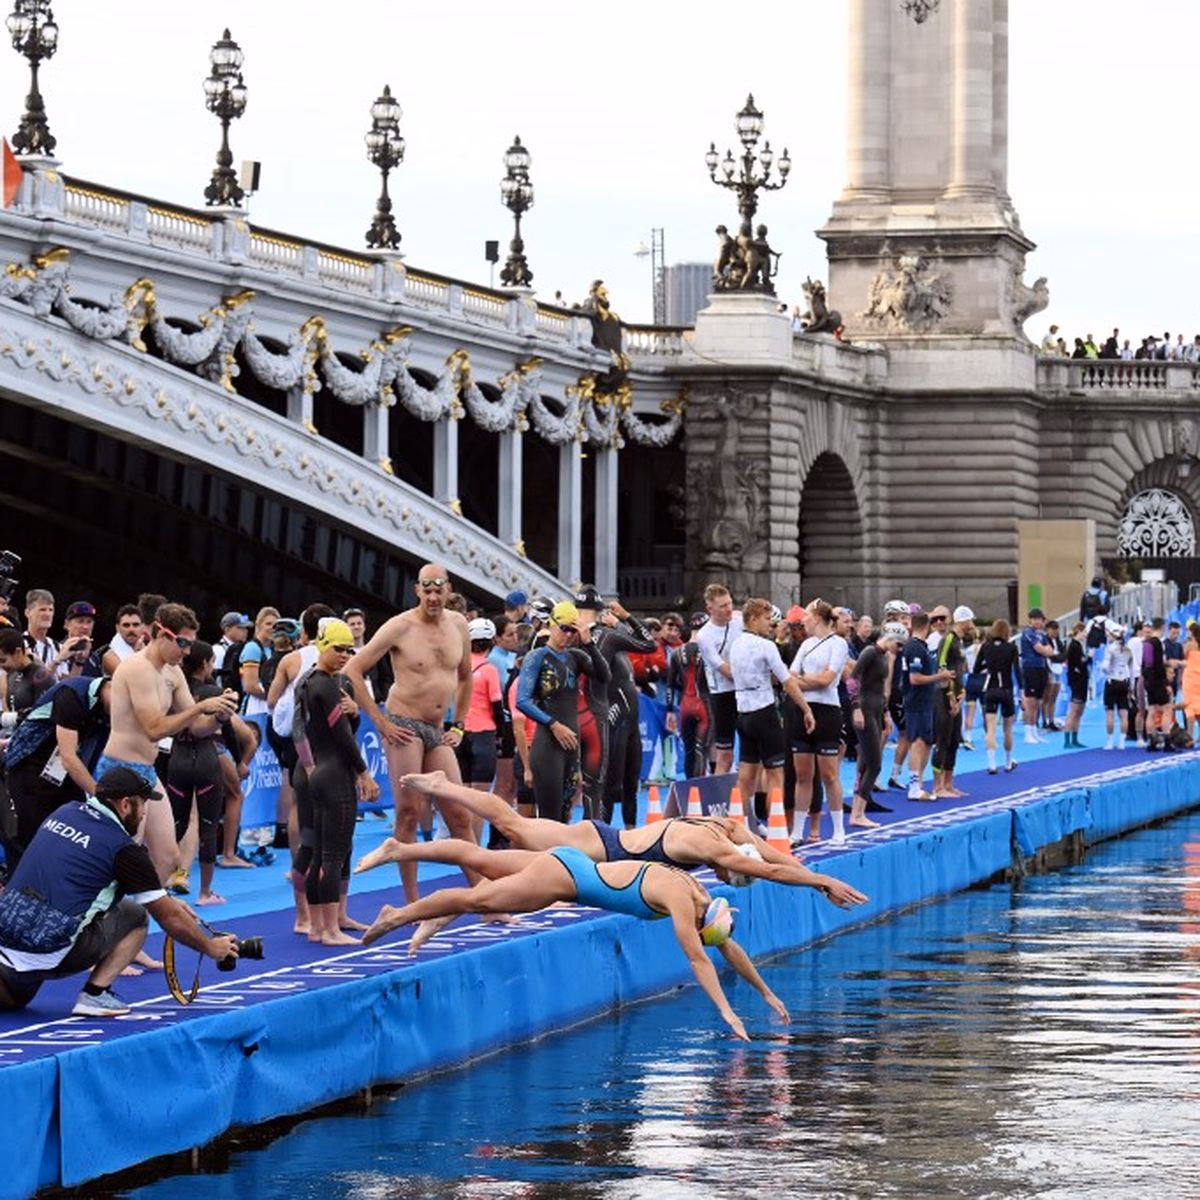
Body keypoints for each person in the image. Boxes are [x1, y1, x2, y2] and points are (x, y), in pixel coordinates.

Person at [357, 838, 789, 1041]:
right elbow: (698, 960)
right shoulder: (680, 901)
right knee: (478, 898)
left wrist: (766, 993)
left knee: (480, 859)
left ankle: (399, 850)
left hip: (572, 863)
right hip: (563, 881)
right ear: (703, 921)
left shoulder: (701, 894)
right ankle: (398, 916)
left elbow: (727, 948)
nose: (701, 935)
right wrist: (727, 1012)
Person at [0, 766, 239, 1016]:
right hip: (53, 949)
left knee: (17, 998)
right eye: (143, 804)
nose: (145, 812)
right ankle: (95, 995)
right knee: (136, 915)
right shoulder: (124, 849)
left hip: (6, 939)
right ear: (125, 804)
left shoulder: (64, 813)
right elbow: (169, 919)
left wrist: (164, 900)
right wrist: (211, 948)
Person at [342, 563, 482, 905]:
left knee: (460, 814)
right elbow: (352, 670)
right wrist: (381, 722)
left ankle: (485, 898)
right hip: (404, 726)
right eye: (427, 590)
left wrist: (459, 724)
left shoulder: (459, 625)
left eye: (439, 590)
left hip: (437, 730)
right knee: (408, 812)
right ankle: (412, 901)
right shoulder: (400, 626)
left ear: (449, 590)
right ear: (417, 590)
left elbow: (465, 676)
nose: (433, 597)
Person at [98, 603, 239, 884]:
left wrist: (219, 717)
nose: (187, 652)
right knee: (122, 859)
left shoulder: (172, 673)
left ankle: (140, 918)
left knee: (167, 858)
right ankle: (118, 921)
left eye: (191, 644)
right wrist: (201, 707)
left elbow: (197, 729)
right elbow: (153, 728)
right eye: (183, 643)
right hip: (120, 771)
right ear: (162, 635)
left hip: (147, 772)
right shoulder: (136, 669)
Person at [295, 618, 380, 945]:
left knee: (319, 854)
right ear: (322, 646)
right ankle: (331, 930)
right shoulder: (328, 685)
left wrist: (355, 714)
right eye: (338, 649)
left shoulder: (307, 682)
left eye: (349, 650)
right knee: (333, 855)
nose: (345, 655)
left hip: (317, 772)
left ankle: (318, 927)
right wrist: (364, 772)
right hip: (335, 775)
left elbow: (319, 732)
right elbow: (342, 737)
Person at [514, 601, 610, 822]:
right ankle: (544, 856)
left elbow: (605, 676)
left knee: (565, 814)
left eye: (573, 631)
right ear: (551, 624)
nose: (568, 635)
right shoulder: (537, 657)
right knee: (549, 816)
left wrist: (589, 642)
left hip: (571, 747)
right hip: (547, 745)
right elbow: (522, 700)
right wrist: (553, 725)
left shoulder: (575, 657)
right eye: (564, 628)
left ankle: (559, 856)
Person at [2, 675, 112, 861]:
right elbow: (68, 757)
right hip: (29, 764)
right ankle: (19, 885)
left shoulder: (106, 711)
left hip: (61, 773)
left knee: (77, 823)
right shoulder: (73, 693)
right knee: (30, 836)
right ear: (113, 686)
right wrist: (99, 794)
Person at [730, 598, 814, 830]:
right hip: (764, 713)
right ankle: (777, 829)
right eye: (767, 619)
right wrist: (806, 709)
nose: (771, 624)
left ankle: (742, 828)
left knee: (746, 776)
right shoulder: (766, 646)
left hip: (743, 712)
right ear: (753, 619)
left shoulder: (736, 644)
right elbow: (788, 682)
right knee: (776, 776)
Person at [790, 599, 853, 843]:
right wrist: (803, 680)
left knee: (829, 774)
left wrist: (800, 681)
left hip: (827, 711)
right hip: (803, 708)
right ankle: (797, 831)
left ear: (816, 617)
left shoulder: (838, 643)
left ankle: (838, 829)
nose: (802, 620)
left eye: (806, 615)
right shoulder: (806, 644)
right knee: (803, 774)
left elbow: (828, 678)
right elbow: (790, 675)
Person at [851, 621, 904, 815]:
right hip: (864, 708)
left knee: (867, 762)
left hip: (875, 708)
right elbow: (852, 679)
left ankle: (859, 811)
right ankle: (858, 813)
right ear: (890, 639)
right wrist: (856, 707)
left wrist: (886, 713)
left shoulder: (883, 656)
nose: (899, 649)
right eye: (898, 644)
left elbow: (881, 688)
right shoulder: (870, 653)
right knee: (875, 764)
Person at [900, 612, 954, 800]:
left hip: (925, 700)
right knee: (918, 741)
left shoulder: (921, 647)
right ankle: (914, 785)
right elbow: (914, 678)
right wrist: (940, 676)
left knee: (927, 741)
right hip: (916, 701)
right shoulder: (915, 647)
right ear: (927, 626)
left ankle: (919, 783)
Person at [695, 584, 744, 776]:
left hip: (746, 692)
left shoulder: (739, 620)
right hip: (722, 694)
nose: (729, 609)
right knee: (725, 756)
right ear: (710, 609)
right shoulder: (704, 636)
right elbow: (725, 670)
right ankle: (718, 800)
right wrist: (753, 675)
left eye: (730, 603)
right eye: (723, 606)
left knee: (752, 754)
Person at [666, 612, 712, 780]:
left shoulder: (677, 653)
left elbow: (670, 684)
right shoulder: (709, 650)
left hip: (685, 705)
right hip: (704, 705)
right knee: (702, 749)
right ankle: (699, 791)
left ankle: (689, 789)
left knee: (688, 750)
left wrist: (670, 711)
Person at [971, 618, 1021, 774]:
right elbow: (1017, 670)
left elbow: (976, 668)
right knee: (1007, 729)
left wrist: (990, 665)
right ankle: (1008, 762)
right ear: (1006, 632)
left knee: (991, 728)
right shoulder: (1011, 647)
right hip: (1006, 690)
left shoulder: (986, 647)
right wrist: (1022, 690)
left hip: (990, 688)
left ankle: (991, 764)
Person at [1018, 608, 1056, 745]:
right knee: (1031, 701)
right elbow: (1039, 648)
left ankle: (1034, 731)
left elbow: (1051, 651)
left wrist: (1045, 650)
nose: (1038, 622)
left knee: (1038, 701)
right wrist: (1044, 650)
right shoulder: (1028, 633)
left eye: (1040, 619)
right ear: (1031, 620)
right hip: (1030, 668)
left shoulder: (1043, 635)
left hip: (1041, 668)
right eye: (1035, 619)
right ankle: (1028, 732)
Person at [1103, 621, 1134, 751]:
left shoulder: (1110, 648)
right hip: (1124, 682)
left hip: (1112, 681)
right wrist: (1131, 684)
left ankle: (1110, 742)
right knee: (1124, 713)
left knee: (1110, 713)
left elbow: (1105, 667)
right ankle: (1122, 742)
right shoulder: (1128, 649)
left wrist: (1108, 671)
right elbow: (1132, 668)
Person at [98, 605, 145, 677]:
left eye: (135, 625)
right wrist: (137, 654)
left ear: (142, 627)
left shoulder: (148, 649)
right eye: (126, 625)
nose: (131, 629)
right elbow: (130, 679)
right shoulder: (109, 657)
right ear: (117, 628)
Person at [1062, 621, 1089, 748]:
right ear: (1079, 632)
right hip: (1077, 682)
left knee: (1079, 712)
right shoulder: (1074, 646)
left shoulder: (1078, 645)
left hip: (1082, 681)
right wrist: (1089, 658)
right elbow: (1079, 663)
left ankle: (1075, 738)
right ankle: (1067, 739)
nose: (1085, 635)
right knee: (1074, 711)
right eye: (1084, 632)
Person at [212, 612, 251, 687]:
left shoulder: (243, 649)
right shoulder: (218, 650)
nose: (245, 631)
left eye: (246, 628)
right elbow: (216, 679)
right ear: (227, 629)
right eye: (240, 627)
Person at [1181, 622, 1200, 742]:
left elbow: (1183, 657)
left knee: (1189, 706)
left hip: (1190, 677)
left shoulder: (1189, 645)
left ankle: (1190, 735)